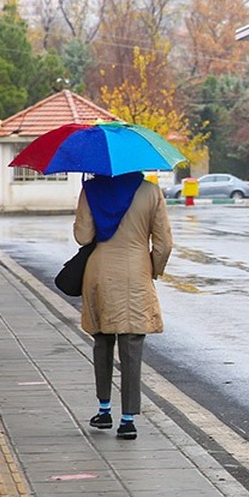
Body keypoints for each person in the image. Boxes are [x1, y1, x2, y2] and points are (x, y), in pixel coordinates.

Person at [73, 172, 173, 440]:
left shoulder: (91, 190)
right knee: (131, 345)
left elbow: (83, 237)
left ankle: (104, 410)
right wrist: (153, 269)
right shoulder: (151, 192)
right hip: (136, 272)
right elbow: (164, 244)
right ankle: (128, 419)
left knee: (102, 341)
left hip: (100, 272)